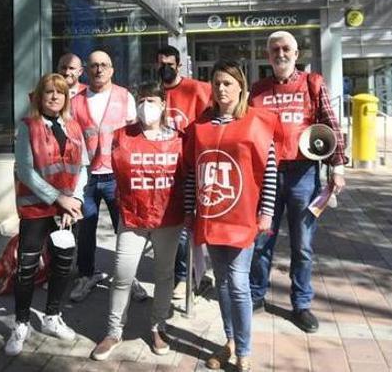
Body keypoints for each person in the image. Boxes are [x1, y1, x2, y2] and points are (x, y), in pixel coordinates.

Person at [184, 60, 282, 372]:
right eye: (217, 83)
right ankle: (229, 341)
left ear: (241, 86)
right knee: (223, 283)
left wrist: (266, 211)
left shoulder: (257, 122)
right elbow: (190, 173)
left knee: (238, 283)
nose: (222, 89)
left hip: (243, 217)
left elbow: (269, 172)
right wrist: (189, 210)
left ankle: (244, 351)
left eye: (228, 83)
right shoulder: (199, 126)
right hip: (211, 216)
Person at [248, 31, 347, 335]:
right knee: (261, 240)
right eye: (275, 49)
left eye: (286, 48)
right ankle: (255, 296)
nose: (281, 53)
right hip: (266, 175)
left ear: (296, 53)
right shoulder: (257, 90)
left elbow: (330, 126)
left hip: (303, 174)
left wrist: (337, 167)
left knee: (302, 245)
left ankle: (301, 304)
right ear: (268, 56)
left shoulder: (312, 84)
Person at [91, 82, 185, 360]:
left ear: (163, 104)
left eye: (153, 100)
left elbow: (187, 176)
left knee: (164, 275)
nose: (147, 105)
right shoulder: (122, 136)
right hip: (133, 216)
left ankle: (158, 327)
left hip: (168, 218)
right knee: (123, 273)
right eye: (142, 100)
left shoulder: (180, 137)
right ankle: (113, 331)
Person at [4, 73, 88, 356]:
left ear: (66, 98)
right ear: (39, 96)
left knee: (63, 265)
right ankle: (21, 323)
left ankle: (52, 317)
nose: (54, 96)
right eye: (49, 92)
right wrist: (58, 198)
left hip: (66, 210)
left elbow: (82, 167)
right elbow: (25, 170)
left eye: (60, 92)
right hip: (36, 210)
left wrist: (74, 199)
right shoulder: (28, 126)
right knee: (26, 268)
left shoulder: (75, 127)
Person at [69, 49, 145, 302]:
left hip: (117, 176)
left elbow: (136, 138)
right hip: (87, 176)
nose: (99, 69)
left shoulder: (125, 96)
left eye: (104, 65)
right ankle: (86, 275)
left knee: (124, 229)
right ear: (87, 70)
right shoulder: (76, 101)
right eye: (94, 65)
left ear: (112, 69)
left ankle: (128, 277)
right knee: (86, 228)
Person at [156, 45, 212, 301]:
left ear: (179, 65)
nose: (165, 68)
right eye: (160, 64)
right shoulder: (154, 92)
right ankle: (185, 274)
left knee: (188, 226)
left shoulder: (196, 89)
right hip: (163, 167)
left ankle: (187, 276)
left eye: (170, 63)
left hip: (191, 165)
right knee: (175, 226)